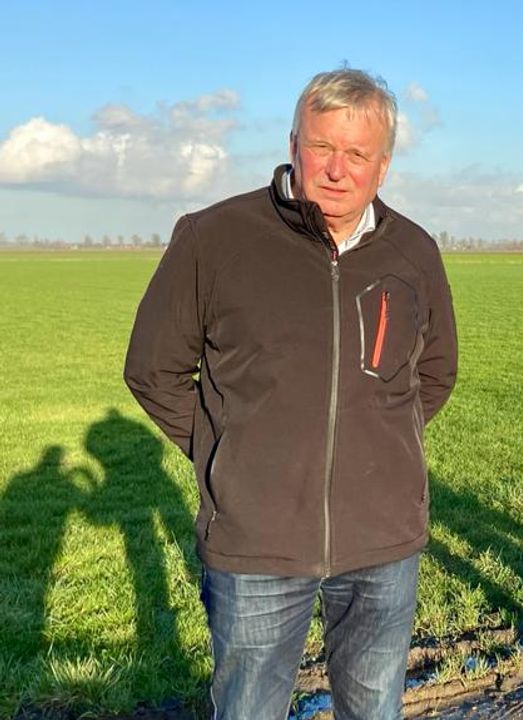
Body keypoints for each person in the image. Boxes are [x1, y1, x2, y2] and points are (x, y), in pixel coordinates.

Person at [124, 68, 457, 719]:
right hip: (255, 543)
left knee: (374, 708)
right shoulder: (215, 238)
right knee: (249, 708)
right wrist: (230, 453)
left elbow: (435, 372)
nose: (337, 169)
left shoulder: (413, 252)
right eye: (321, 147)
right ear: (293, 143)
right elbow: (154, 370)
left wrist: (385, 447)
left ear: (382, 165)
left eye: (357, 154)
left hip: (383, 542)